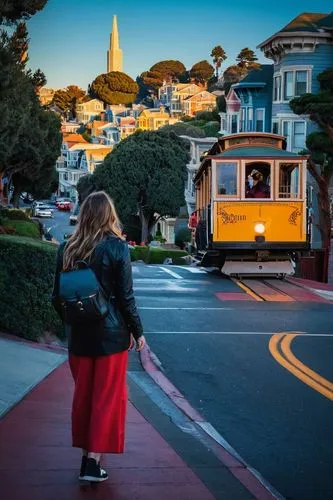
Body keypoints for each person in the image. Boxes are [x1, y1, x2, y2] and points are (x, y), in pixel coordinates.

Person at [52, 191, 145, 483]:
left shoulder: (67, 248)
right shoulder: (118, 247)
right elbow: (126, 297)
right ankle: (92, 463)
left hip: (79, 336)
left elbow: (57, 297)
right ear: (109, 215)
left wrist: (72, 324)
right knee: (106, 398)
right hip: (112, 336)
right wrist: (138, 332)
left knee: (84, 397)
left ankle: (86, 457)